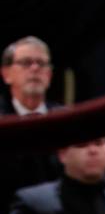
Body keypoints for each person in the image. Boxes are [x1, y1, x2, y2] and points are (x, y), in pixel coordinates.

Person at [0, 36, 61, 204]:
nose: (35, 68)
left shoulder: (67, 120)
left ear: (49, 74)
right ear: (6, 74)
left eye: (41, 63)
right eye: (26, 63)